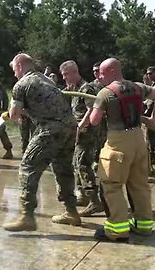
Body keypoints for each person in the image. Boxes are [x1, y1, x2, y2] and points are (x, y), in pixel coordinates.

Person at [90, 58, 155, 242]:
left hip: (118, 142)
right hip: (138, 139)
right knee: (139, 185)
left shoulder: (105, 93)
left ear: (112, 71)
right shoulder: (138, 87)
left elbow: (94, 120)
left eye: (102, 72)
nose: (99, 76)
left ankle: (117, 230)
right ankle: (143, 225)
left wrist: (102, 108)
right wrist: (153, 119)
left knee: (111, 185)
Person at [3, 53, 80, 232]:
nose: (15, 74)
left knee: (28, 167)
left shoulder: (21, 84)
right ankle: (71, 212)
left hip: (50, 130)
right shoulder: (46, 80)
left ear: (21, 66)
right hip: (69, 128)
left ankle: (26, 216)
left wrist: (10, 114)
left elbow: (14, 114)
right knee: (63, 169)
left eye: (15, 70)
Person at [60, 60, 103, 217]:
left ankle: (94, 201)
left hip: (87, 133)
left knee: (83, 165)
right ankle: (84, 196)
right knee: (77, 164)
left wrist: (80, 127)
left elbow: (91, 109)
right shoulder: (74, 88)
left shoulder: (86, 89)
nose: (64, 78)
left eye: (65, 75)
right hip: (79, 133)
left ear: (74, 72)